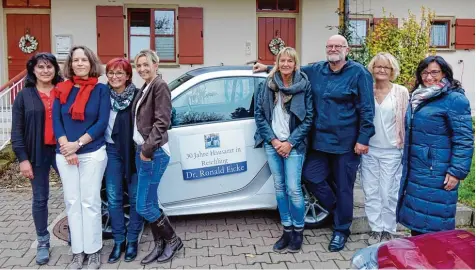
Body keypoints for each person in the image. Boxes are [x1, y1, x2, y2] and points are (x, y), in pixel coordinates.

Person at [253, 34, 375, 252]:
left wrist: (363, 138)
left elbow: (367, 108)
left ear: (347, 50)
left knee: (345, 187)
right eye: (330, 46)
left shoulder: (359, 73)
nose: (333, 49)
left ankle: (341, 230)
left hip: (346, 144)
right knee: (311, 175)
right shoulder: (317, 70)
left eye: (338, 46)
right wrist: (266, 66)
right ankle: (338, 211)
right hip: (319, 142)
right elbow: (287, 68)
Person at [397, 56, 474, 236]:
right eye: (424, 72)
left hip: (437, 172)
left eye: (434, 72)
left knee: (436, 225)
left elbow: (464, 139)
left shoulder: (454, 99)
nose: (428, 77)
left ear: (444, 73)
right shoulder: (419, 96)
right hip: (417, 170)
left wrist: (456, 171)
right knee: (417, 222)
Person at [53, 45, 110, 269]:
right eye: (75, 60)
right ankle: (78, 250)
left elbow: (101, 122)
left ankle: (94, 250)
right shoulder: (61, 88)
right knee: (72, 202)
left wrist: (78, 144)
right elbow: (57, 120)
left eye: (84, 60)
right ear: (70, 64)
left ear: (91, 63)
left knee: (90, 202)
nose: (79, 63)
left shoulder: (100, 90)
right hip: (65, 154)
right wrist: (66, 146)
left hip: (92, 152)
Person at [254, 47, 314, 253]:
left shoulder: (304, 85)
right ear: (277, 63)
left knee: (294, 189)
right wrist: (273, 140)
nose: (286, 64)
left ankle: (298, 231)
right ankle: (287, 230)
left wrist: (290, 143)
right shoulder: (267, 85)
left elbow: (308, 119)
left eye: (290, 61)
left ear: (295, 64)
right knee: (279, 188)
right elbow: (259, 115)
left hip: (294, 145)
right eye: (282, 61)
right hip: (273, 144)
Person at [11, 53, 63, 265]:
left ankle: (79, 233)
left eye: (49, 66)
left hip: (62, 150)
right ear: (33, 70)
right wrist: (23, 159)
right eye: (40, 67)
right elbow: (17, 131)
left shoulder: (63, 91)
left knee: (74, 194)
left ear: (55, 70)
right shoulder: (24, 96)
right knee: (40, 198)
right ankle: (42, 240)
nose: (45, 70)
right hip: (37, 152)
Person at [132, 49, 182, 265]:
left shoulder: (159, 86)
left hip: (153, 153)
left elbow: (162, 121)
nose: (142, 68)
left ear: (156, 65)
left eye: (146, 64)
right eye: (139, 65)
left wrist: (146, 150)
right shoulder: (146, 87)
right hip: (144, 150)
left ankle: (173, 240)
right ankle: (159, 244)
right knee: (151, 202)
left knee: (142, 205)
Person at [361, 53, 409, 245]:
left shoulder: (401, 92)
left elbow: (407, 122)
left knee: (388, 192)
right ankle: (375, 228)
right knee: (370, 191)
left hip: (392, 150)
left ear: (392, 71)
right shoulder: (366, 91)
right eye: (378, 66)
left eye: (386, 67)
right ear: (372, 69)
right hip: (369, 149)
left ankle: (389, 229)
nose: (381, 70)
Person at [104, 58, 143, 263]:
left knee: (136, 198)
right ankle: (119, 240)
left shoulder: (137, 96)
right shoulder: (103, 95)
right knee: (113, 197)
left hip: (133, 151)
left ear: (128, 76)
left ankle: (133, 239)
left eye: (120, 73)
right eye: (111, 72)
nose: (115, 77)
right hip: (111, 151)